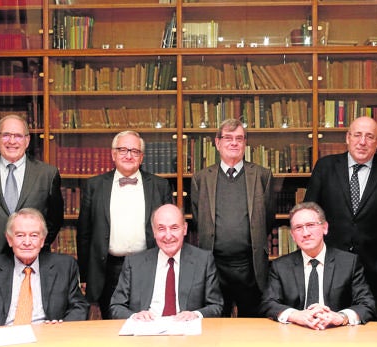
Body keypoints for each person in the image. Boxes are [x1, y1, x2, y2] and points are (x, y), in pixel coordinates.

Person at [304, 116, 377, 321]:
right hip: (330, 267)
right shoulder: (325, 167)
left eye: (369, 136)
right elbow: (310, 214)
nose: (362, 142)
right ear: (348, 137)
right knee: (330, 325)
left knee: (373, 329)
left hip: (376, 271)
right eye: (358, 135)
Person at [77, 130, 173, 319]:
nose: (129, 155)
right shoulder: (94, 186)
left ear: (142, 156)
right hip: (108, 268)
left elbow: (169, 230)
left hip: (149, 264)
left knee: (149, 319)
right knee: (112, 323)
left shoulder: (160, 186)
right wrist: (85, 275)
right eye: (123, 150)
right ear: (113, 154)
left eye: (135, 151)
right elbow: (84, 234)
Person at [190, 118, 274, 317]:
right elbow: (197, 219)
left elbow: (267, 219)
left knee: (252, 328)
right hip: (214, 266)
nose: (234, 143)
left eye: (239, 138)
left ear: (245, 143)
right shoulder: (201, 178)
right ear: (217, 143)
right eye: (228, 138)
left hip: (250, 267)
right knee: (215, 326)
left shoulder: (262, 176)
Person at [0, 208, 89, 330]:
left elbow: (79, 307)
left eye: (34, 235)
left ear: (42, 241)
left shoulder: (64, 266)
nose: (27, 242)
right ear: (9, 239)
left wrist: (61, 327)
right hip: (1, 338)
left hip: (46, 338)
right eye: (20, 235)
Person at [0, 114, 63, 259]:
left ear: (27, 140)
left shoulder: (48, 174)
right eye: (6, 135)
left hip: (34, 261)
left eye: (18, 136)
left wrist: (33, 245)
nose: (12, 141)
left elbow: (55, 220)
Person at [260, 202, 376, 330]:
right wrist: (295, 315)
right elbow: (268, 303)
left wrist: (340, 317)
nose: (305, 233)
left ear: (325, 228)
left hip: (337, 333)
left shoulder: (349, 263)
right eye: (298, 228)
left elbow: (367, 304)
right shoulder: (280, 266)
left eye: (310, 225)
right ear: (292, 235)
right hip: (295, 333)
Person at [110, 204, 223, 320]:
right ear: (154, 231)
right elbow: (116, 306)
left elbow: (216, 306)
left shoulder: (203, 260)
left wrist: (195, 315)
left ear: (184, 229)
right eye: (161, 229)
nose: (168, 236)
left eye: (174, 228)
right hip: (146, 331)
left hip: (186, 331)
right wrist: (135, 316)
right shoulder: (134, 263)